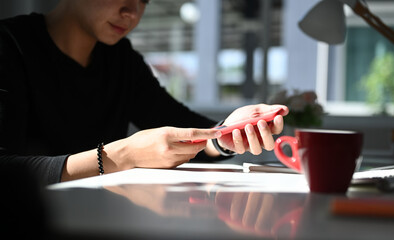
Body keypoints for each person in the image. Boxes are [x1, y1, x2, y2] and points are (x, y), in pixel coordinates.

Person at [0, 0, 288, 185]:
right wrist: (122, 155)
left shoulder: (120, 60)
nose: (133, 13)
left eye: (144, 1)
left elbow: (178, 123)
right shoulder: (9, 45)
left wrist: (224, 134)